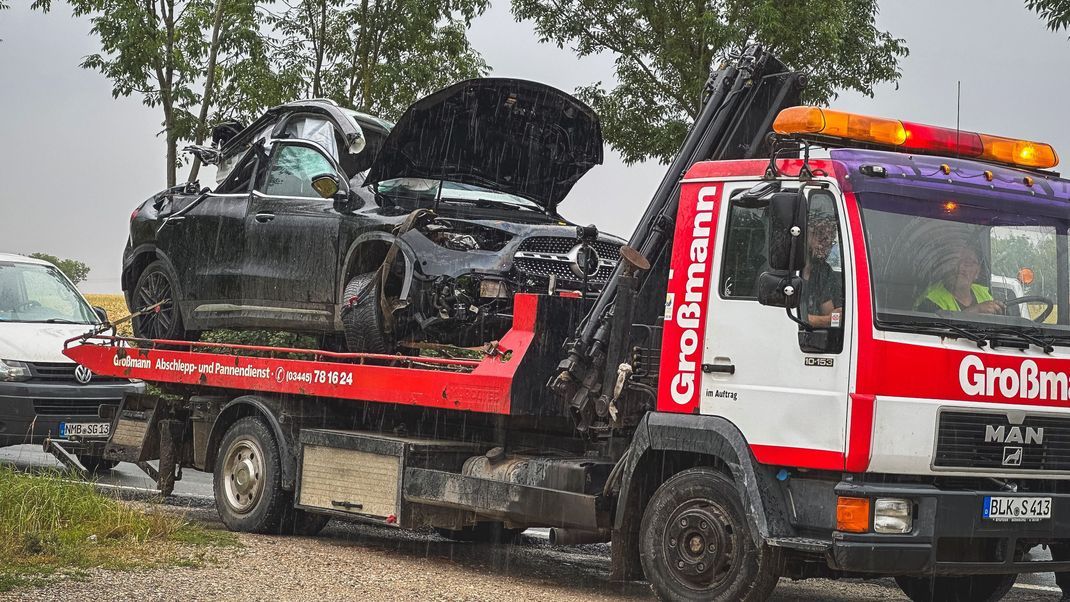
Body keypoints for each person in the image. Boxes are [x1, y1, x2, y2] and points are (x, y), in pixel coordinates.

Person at [915, 243, 1004, 314]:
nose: (960, 267)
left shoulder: (984, 294)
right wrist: (977, 310)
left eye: (967, 263)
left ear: (977, 272)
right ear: (944, 267)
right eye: (954, 261)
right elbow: (936, 331)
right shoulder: (930, 301)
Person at [801, 212, 844, 328]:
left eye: (830, 240)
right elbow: (790, 318)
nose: (825, 244)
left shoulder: (824, 271)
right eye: (820, 236)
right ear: (805, 235)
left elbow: (836, 317)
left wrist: (828, 320)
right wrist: (826, 320)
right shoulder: (784, 268)